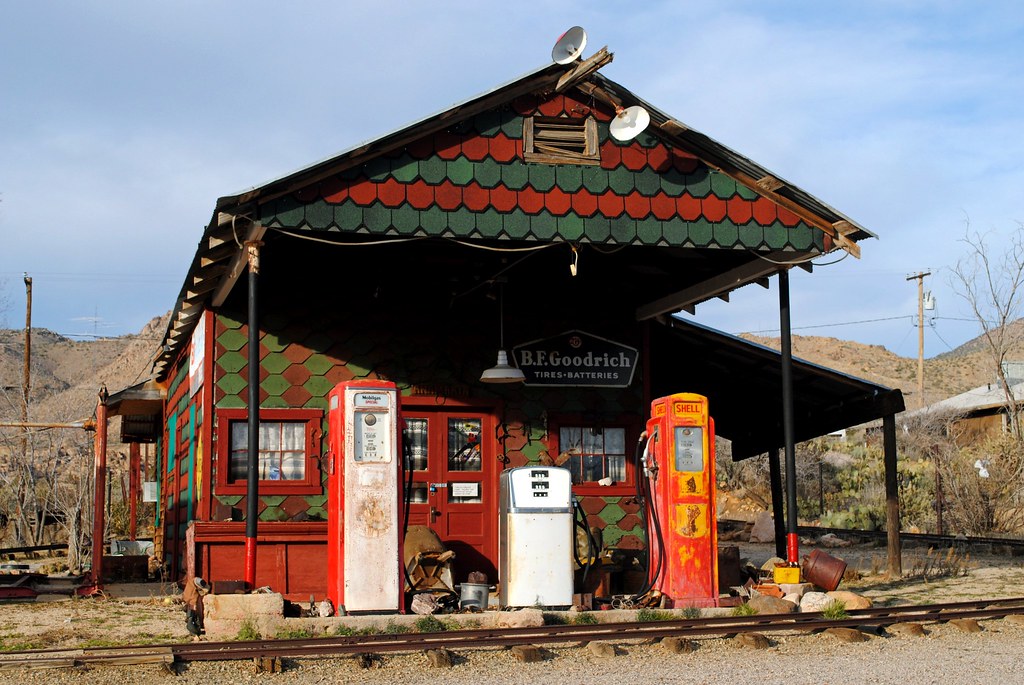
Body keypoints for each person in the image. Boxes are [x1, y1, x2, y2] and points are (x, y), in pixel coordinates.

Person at [182, 577, 211, 641]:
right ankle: (195, 633)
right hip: (192, 604)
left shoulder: (192, 583)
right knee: (191, 618)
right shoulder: (192, 587)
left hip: (192, 603)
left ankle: (196, 632)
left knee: (193, 618)